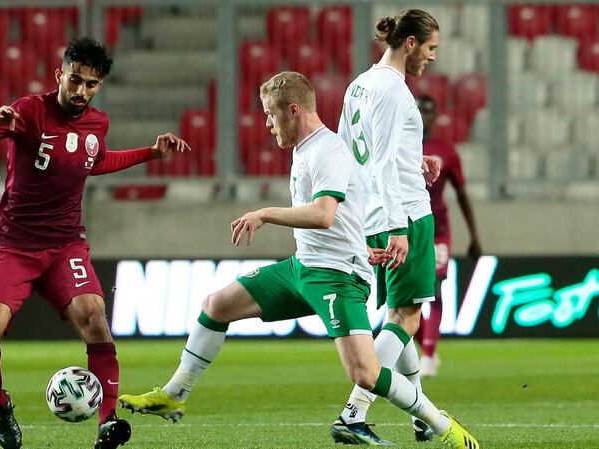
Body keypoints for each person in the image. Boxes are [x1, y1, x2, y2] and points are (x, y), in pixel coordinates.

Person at [118, 71, 480, 449]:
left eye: (271, 115)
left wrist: (264, 214)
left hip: (336, 277)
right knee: (216, 305)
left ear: (293, 110)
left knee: (366, 373)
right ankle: (176, 393)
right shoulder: (312, 148)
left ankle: (442, 425)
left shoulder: (325, 151)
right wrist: (414, 162)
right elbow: (367, 169)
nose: (267, 123)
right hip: (302, 266)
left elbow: (324, 213)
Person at [0, 37, 190, 449]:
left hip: (66, 244)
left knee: (96, 321)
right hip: (13, 245)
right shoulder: (30, 111)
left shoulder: (97, 123)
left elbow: (94, 161)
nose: (81, 91)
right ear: (59, 75)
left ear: (99, 86)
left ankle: (108, 422)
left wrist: (151, 154)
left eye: (91, 84)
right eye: (75, 80)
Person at [331, 9, 462, 446]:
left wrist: (415, 160)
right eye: (430, 48)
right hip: (403, 214)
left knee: (397, 313)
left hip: (374, 213)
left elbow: (354, 153)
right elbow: (384, 161)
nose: (432, 57)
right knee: (407, 319)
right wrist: (397, 227)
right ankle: (354, 412)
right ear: (410, 43)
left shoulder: (360, 85)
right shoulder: (393, 90)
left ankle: (420, 415)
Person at [416, 95, 482, 377]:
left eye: (428, 111)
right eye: (419, 110)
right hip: (407, 231)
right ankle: (425, 349)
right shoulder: (397, 145)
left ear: (435, 117)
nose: (423, 116)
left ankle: (429, 356)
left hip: (438, 230)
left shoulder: (446, 150)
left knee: (435, 288)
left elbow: (462, 194)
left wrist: (474, 236)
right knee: (405, 299)